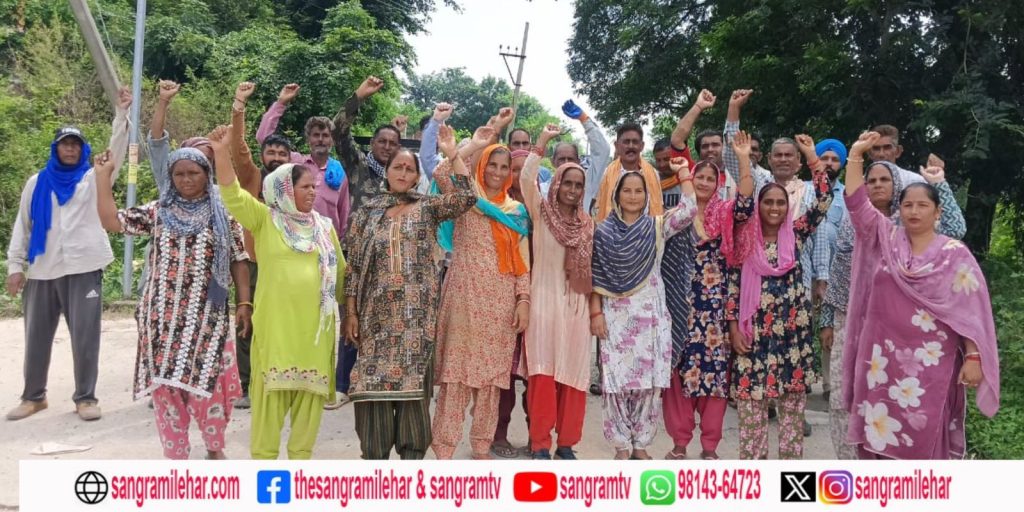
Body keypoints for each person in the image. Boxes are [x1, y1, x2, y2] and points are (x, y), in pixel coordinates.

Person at [841, 131, 998, 459]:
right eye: (908, 205)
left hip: (931, 363)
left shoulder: (954, 254)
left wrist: (973, 357)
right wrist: (855, 154)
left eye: (923, 205)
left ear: (937, 212)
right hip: (881, 361)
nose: (914, 211)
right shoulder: (884, 238)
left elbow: (970, 312)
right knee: (879, 436)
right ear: (899, 209)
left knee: (924, 439)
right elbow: (856, 201)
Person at [95, 142, 249, 459]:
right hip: (161, 318)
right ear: (171, 177)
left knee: (209, 384)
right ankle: (175, 453)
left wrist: (244, 304)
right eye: (179, 174)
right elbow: (111, 221)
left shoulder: (222, 213)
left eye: (193, 173)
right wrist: (102, 176)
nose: (186, 179)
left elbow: (238, 259)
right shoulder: (158, 212)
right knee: (166, 387)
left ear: (206, 174)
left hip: (207, 318)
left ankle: (214, 447)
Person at [821, 149, 966, 459]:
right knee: (848, 395)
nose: (877, 185)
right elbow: (840, 271)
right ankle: (851, 465)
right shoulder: (855, 222)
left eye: (884, 179)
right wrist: (827, 320)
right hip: (853, 319)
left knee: (894, 397)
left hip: (903, 331)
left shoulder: (910, 226)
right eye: (871, 180)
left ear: (897, 185)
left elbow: (955, 230)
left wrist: (939, 184)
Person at [343, 125, 477, 460]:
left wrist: (453, 154)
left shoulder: (427, 207)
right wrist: (351, 312)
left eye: (409, 169)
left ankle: (411, 464)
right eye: (397, 167)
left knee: (413, 401)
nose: (403, 173)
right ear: (387, 172)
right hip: (375, 321)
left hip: (417, 324)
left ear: (417, 177)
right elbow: (354, 266)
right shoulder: (367, 212)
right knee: (371, 396)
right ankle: (375, 464)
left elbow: (466, 198)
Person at [216, 124, 346, 460]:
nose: (312, 192)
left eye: (314, 186)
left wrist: (353, 315)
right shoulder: (265, 220)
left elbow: (340, 277)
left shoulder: (324, 228)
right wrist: (220, 152)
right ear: (285, 189)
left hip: (314, 339)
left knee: (305, 430)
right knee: (267, 425)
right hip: (276, 335)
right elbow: (232, 193)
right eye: (305, 187)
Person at [5, 87, 131, 422]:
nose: (71, 149)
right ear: (56, 148)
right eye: (65, 144)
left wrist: (121, 114)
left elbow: (116, 154)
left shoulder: (92, 179)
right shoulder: (36, 183)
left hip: (84, 267)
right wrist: (15, 266)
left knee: (86, 336)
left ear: (82, 149)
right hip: (43, 270)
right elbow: (23, 226)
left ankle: (85, 398)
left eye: (76, 144)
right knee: (36, 337)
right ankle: (34, 397)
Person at [726, 134, 833, 460]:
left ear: (788, 208)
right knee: (752, 417)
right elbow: (733, 287)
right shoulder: (745, 238)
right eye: (768, 202)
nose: (774, 207)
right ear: (758, 207)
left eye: (780, 203)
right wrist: (733, 328)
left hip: (792, 338)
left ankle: (789, 479)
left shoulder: (797, 233)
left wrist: (812, 156)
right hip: (753, 337)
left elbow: (824, 200)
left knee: (791, 420)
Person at [432, 132, 531, 460]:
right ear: (482, 166)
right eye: (492, 165)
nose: (498, 172)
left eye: (505, 167)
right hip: (463, 298)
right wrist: (470, 146)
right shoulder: (465, 198)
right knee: (456, 378)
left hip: (500, 304)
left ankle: (481, 447)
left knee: (491, 383)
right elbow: (441, 174)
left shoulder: (516, 212)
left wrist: (523, 300)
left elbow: (522, 262)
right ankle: (444, 449)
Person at [590, 161, 697, 460]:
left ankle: (641, 444)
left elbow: (689, 210)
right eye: (627, 190)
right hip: (615, 317)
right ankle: (621, 446)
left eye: (639, 191)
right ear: (617, 194)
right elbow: (595, 275)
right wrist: (596, 313)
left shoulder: (657, 227)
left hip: (651, 316)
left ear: (647, 195)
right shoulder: (603, 232)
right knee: (616, 385)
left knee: (649, 385)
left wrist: (683, 173)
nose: (633, 196)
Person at [662, 131, 756, 461]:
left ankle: (710, 447)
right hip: (680, 308)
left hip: (715, 311)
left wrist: (742, 159)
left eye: (709, 178)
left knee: (714, 379)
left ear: (717, 183)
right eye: (698, 177)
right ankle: (679, 444)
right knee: (679, 376)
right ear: (690, 179)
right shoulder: (675, 214)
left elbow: (746, 204)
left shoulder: (725, 214)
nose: (703, 182)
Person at [516, 125, 595, 460]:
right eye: (567, 183)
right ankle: (539, 444)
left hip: (576, 308)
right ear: (557, 183)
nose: (572, 190)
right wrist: (542, 142)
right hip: (543, 305)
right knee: (543, 375)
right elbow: (526, 179)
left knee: (573, 376)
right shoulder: (541, 212)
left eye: (578, 185)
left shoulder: (588, 224)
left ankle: (566, 443)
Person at [229, 81, 295, 409]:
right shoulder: (250, 177)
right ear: (263, 156)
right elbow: (237, 145)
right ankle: (247, 386)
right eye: (272, 152)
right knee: (248, 322)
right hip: (254, 264)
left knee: (284, 325)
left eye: (282, 154)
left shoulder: (296, 186)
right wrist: (239, 105)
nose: (277, 158)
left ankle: (281, 382)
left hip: (287, 266)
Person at [810, 138, 849, 402]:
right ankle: (798, 382)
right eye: (825, 158)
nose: (829, 163)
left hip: (837, 274)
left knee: (831, 328)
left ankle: (829, 383)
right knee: (803, 326)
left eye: (835, 160)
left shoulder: (849, 195)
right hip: (805, 271)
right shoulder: (803, 190)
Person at [594, 123, 664, 222]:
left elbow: (659, 205)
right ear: (617, 145)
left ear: (642, 146)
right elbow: (598, 207)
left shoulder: (653, 174)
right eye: (626, 142)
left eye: (635, 142)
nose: (631, 146)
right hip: (612, 230)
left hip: (646, 230)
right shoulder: (605, 174)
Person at [557, 99, 612, 215]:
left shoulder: (587, 184)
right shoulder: (544, 187)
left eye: (570, 159)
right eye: (562, 159)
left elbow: (603, 151)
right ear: (553, 161)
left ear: (578, 162)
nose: (566, 163)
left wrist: (583, 118)